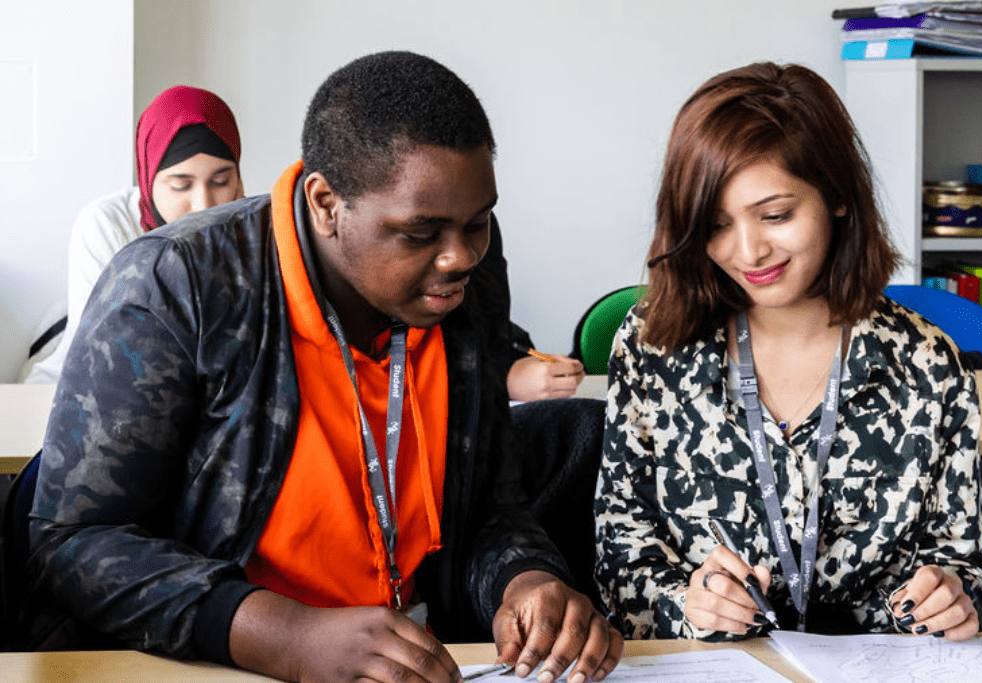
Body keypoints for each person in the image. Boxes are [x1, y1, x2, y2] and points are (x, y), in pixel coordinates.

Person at [26, 51, 622, 683]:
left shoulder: (462, 274)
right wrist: (285, 635)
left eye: (477, 223)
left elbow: (489, 507)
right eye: (421, 234)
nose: (459, 257)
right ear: (325, 202)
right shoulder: (176, 284)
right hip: (225, 665)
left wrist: (525, 580)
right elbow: (73, 542)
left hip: (424, 658)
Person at [594, 62, 982, 642]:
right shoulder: (655, 343)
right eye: (716, 224)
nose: (748, 251)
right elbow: (620, 560)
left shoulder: (929, 365)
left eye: (775, 215)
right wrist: (689, 606)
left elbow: (960, 565)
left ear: (836, 196)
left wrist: (948, 597)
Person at [21, 84, 243, 384]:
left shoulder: (249, 228)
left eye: (220, 181)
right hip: (80, 385)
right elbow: (102, 357)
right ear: (148, 179)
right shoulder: (107, 225)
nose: (203, 206)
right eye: (181, 185)